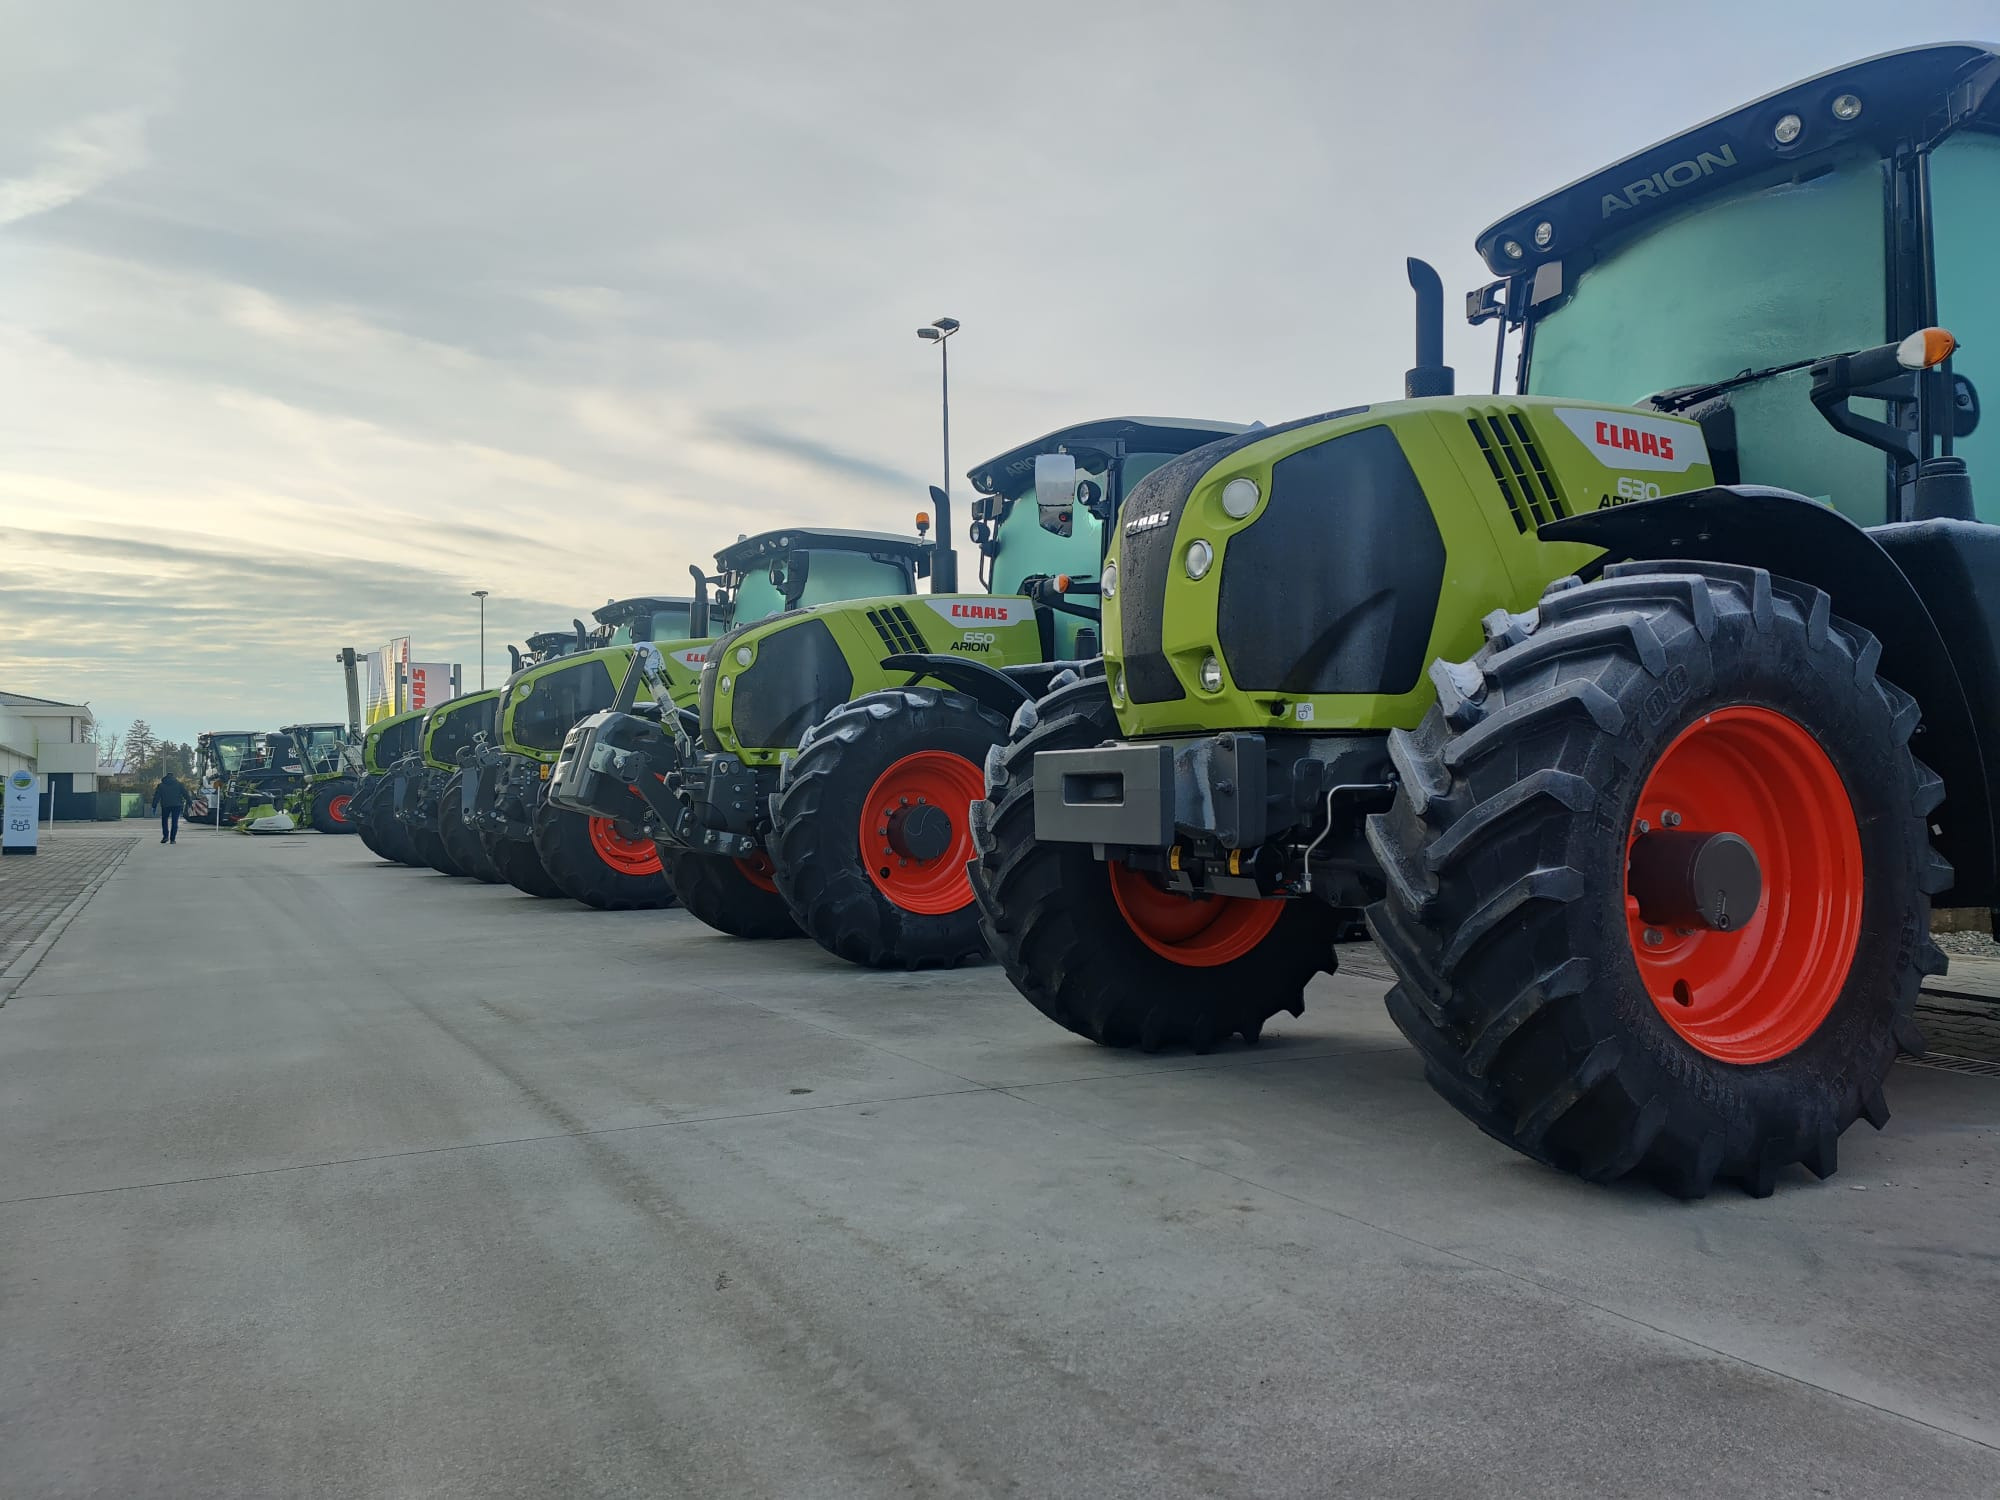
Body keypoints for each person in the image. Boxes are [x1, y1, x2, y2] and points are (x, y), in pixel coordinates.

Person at [153, 771, 188, 844]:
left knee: (164, 821)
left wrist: (154, 805)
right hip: (176, 805)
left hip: (165, 805)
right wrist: (190, 802)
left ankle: (165, 837)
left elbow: (157, 796)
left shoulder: (161, 785)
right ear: (173, 777)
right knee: (174, 822)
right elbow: (185, 794)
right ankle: (172, 839)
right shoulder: (179, 784)